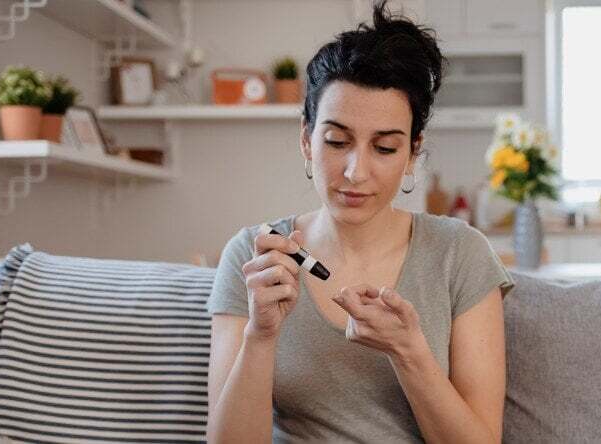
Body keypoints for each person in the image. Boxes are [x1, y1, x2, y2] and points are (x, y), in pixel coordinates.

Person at [205, 2, 516, 442]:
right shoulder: (255, 254)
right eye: (337, 141)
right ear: (306, 141)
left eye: (385, 148)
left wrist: (410, 354)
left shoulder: (459, 253)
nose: (356, 171)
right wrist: (260, 334)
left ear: (413, 153)